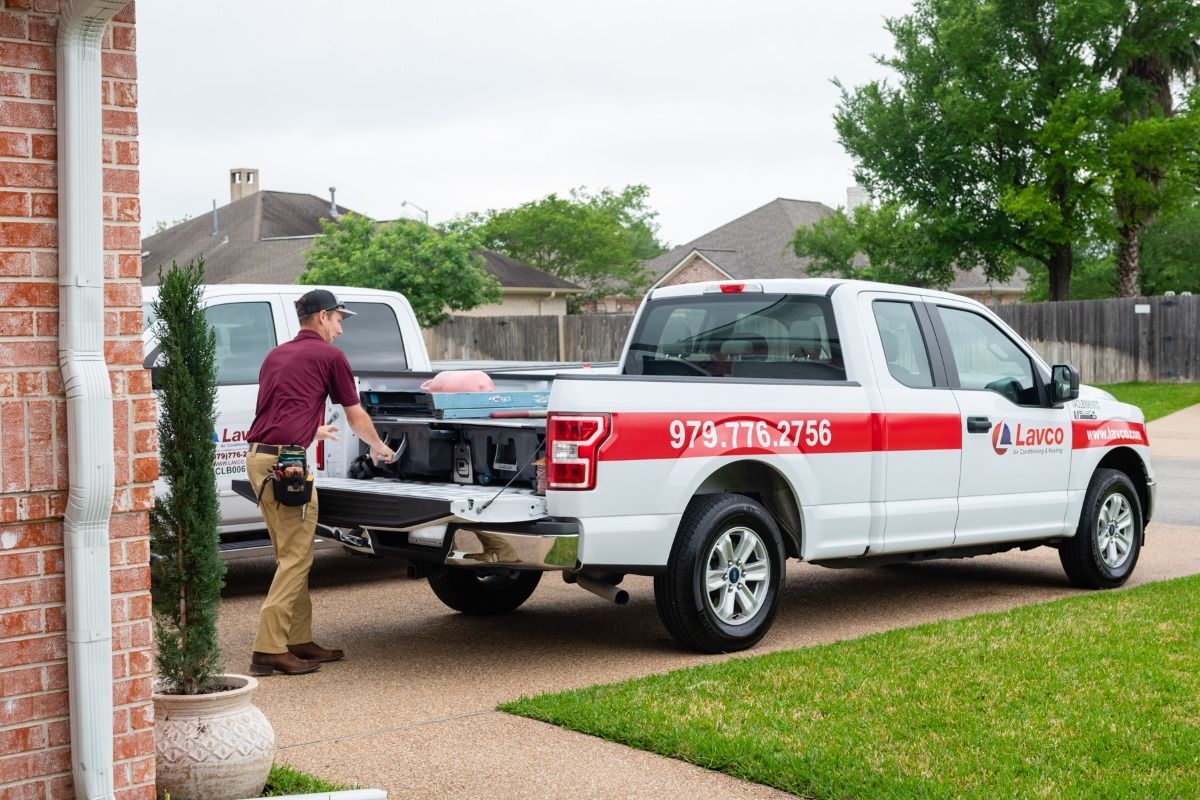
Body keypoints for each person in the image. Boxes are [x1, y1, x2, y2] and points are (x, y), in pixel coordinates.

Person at [246, 289, 395, 676]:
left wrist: (312, 429)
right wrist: (379, 447)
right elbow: (355, 414)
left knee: (290, 556)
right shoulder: (330, 356)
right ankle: (268, 648)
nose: (341, 330)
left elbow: (274, 410)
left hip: (261, 459)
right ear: (323, 317)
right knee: (297, 558)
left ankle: (298, 640)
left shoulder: (276, 354)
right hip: (287, 466)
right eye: (340, 320)